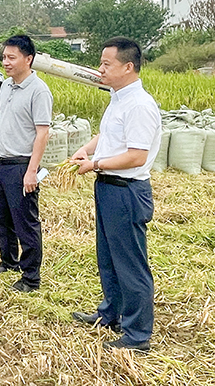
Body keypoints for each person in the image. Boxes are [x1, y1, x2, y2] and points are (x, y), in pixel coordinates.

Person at [69, 37, 161, 352]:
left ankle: (137, 336)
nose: (101, 69)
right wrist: (86, 149)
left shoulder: (139, 105)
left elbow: (136, 156)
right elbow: (107, 134)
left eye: (107, 64)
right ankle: (111, 313)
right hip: (108, 187)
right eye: (101, 63)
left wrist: (95, 164)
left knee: (130, 264)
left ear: (128, 66)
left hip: (127, 191)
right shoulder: (118, 98)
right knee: (108, 257)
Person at [0, 35, 52, 293]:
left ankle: (30, 278)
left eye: (12, 57)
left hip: (22, 165)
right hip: (1, 162)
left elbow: (43, 133)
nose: (6, 62)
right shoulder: (7, 86)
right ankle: (8, 261)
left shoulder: (39, 91)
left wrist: (32, 171)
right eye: (4, 57)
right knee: (3, 218)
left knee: (25, 223)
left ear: (28, 59)